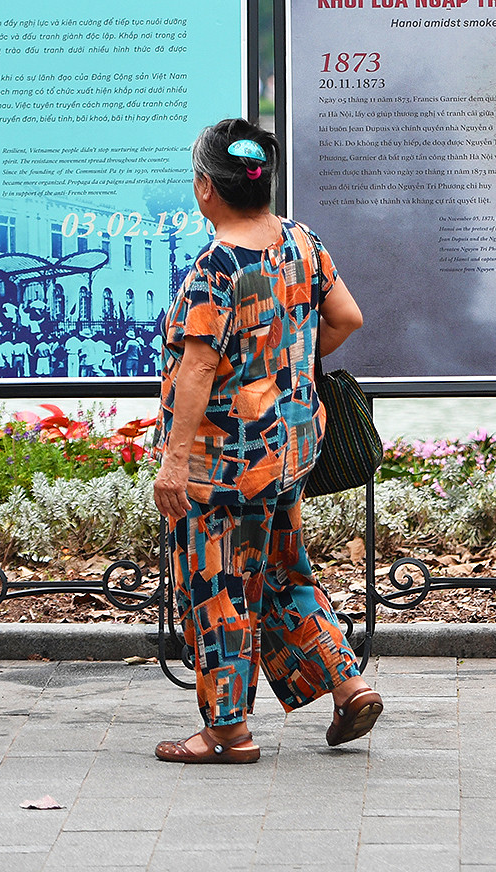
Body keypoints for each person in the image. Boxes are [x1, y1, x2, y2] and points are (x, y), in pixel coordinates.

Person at [152, 118, 379, 765]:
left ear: (205, 189)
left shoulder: (215, 268)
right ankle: (348, 682)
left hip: (224, 463)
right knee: (283, 573)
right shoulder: (302, 244)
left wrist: (174, 462)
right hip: (289, 450)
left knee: (219, 586)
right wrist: (287, 371)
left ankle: (227, 733)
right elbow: (347, 318)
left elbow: (197, 369)